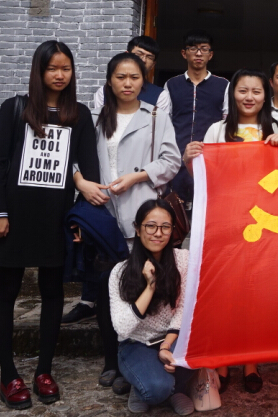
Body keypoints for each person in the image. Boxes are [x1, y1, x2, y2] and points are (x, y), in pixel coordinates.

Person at [0, 40, 101, 409]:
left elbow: (89, 169)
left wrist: (81, 218)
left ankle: (44, 371)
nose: (60, 75)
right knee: (6, 291)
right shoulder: (15, 108)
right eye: (52, 68)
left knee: (53, 293)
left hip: (55, 220)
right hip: (14, 219)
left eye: (66, 68)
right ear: (39, 70)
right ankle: (8, 375)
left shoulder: (79, 114)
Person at [182, 69, 278, 394]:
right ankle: (223, 362)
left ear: (265, 96)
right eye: (243, 90)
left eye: (256, 91)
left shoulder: (275, 129)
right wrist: (189, 160)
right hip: (224, 223)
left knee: (253, 295)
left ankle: (251, 363)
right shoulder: (217, 130)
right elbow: (202, 176)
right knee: (224, 294)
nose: (249, 97)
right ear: (233, 94)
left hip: (262, 225)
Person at [84, 53, 182, 388]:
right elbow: (78, 160)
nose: (127, 83)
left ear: (144, 81)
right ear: (109, 81)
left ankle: (137, 360)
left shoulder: (155, 115)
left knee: (142, 288)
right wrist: (83, 185)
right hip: (104, 215)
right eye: (121, 77)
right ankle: (112, 361)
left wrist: (137, 176)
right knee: (107, 291)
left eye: (134, 77)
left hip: (142, 217)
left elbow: (171, 161)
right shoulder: (95, 118)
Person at [109, 199, 194, 414]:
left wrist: (166, 346)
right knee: (156, 389)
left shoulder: (183, 260)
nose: (158, 233)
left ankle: (176, 390)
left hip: (173, 339)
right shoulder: (120, 272)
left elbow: (184, 309)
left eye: (165, 227)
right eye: (150, 226)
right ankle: (145, 385)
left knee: (199, 346)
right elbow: (122, 328)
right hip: (137, 343)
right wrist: (150, 286)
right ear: (138, 229)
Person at [165, 31, 229, 202]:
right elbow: (165, 121)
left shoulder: (223, 85)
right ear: (184, 53)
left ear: (210, 54)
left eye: (204, 49)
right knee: (176, 205)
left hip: (210, 158)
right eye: (193, 49)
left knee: (209, 203)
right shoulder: (172, 84)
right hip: (177, 157)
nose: (199, 53)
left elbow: (227, 122)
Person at [92, 36, 170, 114]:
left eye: (149, 57)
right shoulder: (103, 92)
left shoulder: (160, 95)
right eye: (139, 54)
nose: (143, 60)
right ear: (127, 54)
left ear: (153, 64)